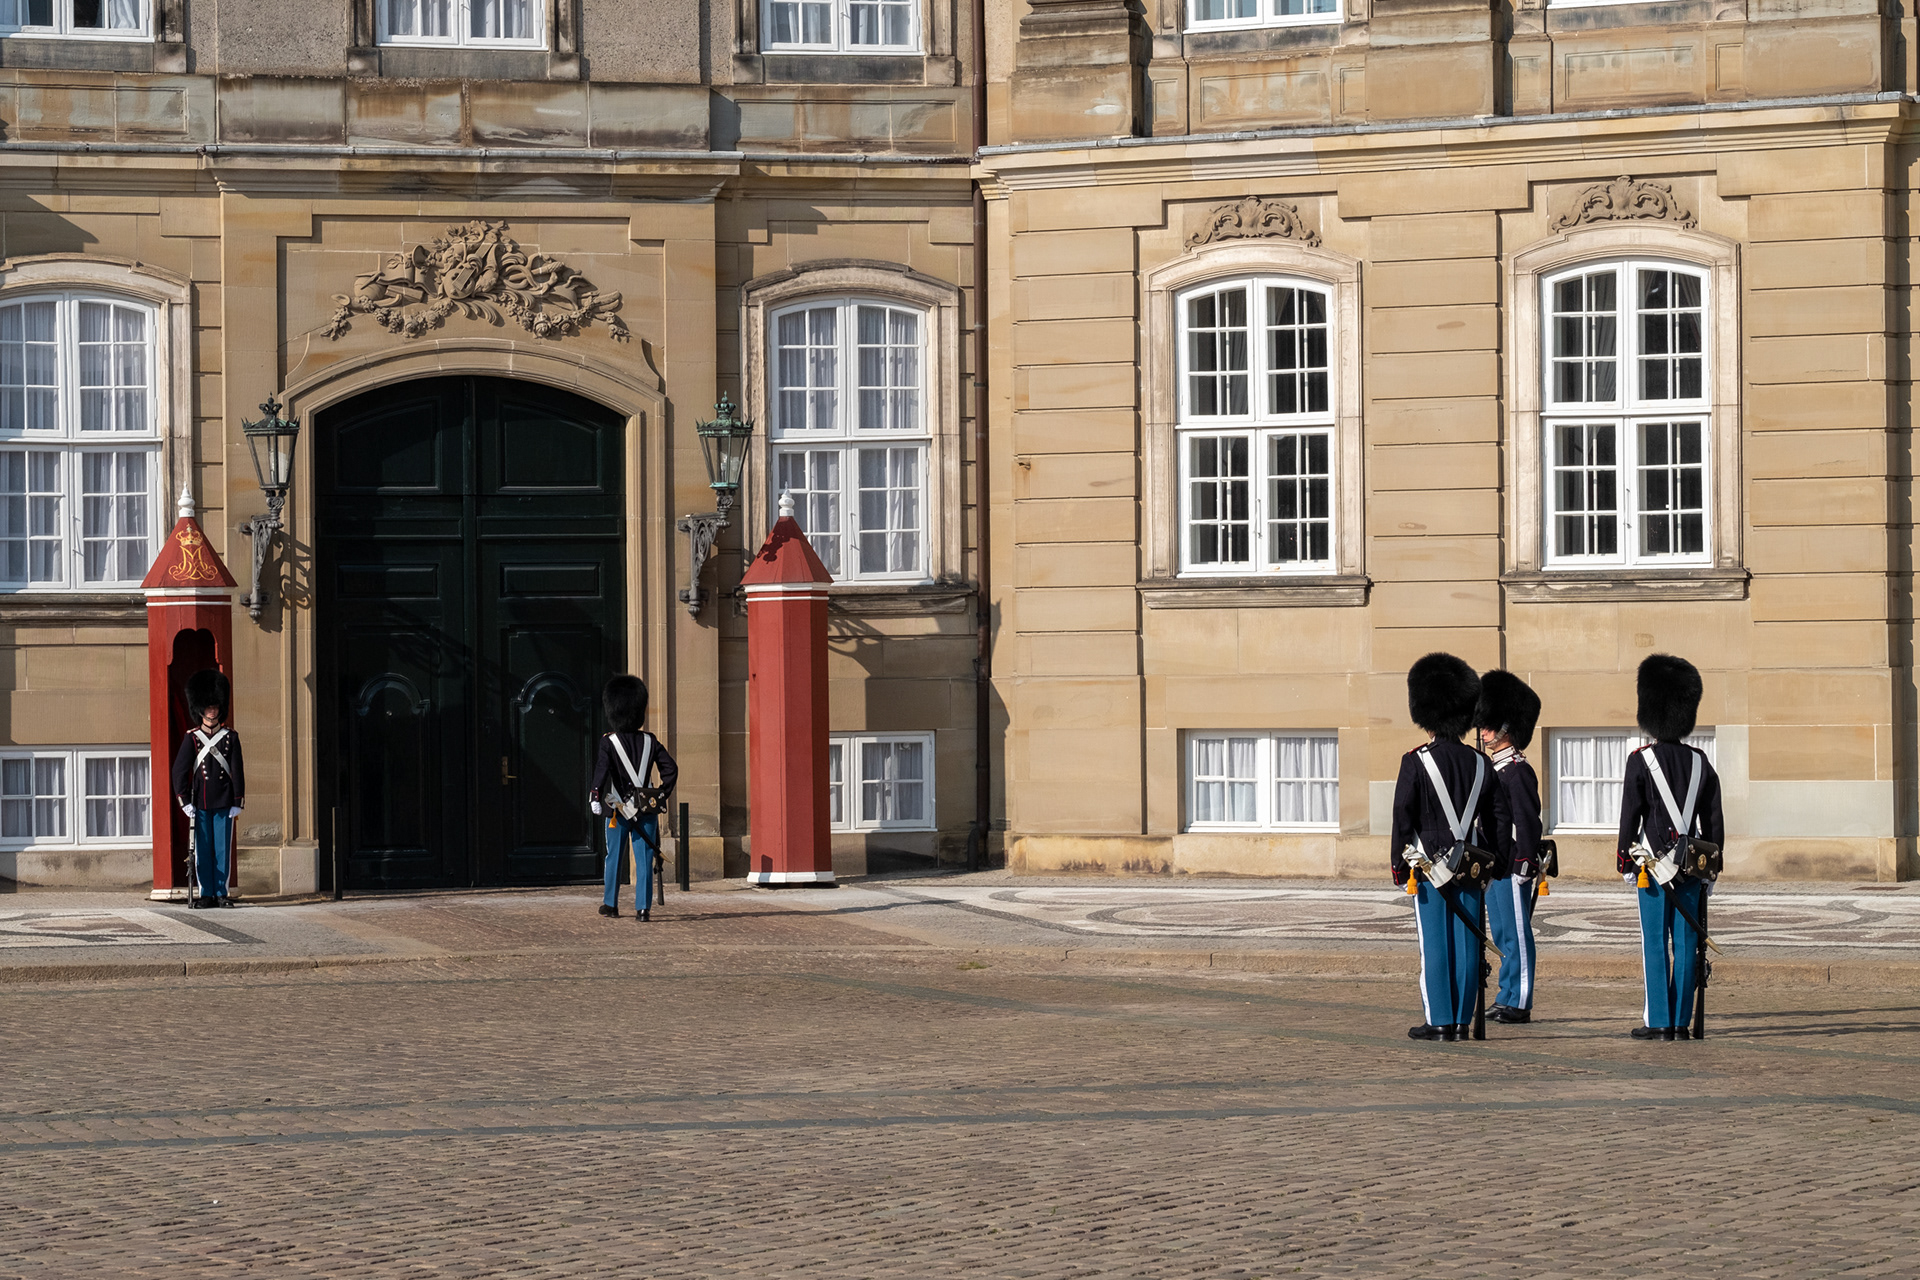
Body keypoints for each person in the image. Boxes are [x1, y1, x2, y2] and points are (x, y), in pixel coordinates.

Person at [1392, 653, 1509, 1042]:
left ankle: (1440, 1019)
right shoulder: (1481, 763)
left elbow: (1402, 816)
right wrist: (1496, 862)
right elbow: (1499, 818)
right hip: (1473, 867)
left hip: (1428, 869)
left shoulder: (1416, 761)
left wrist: (1398, 864)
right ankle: (1461, 1020)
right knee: (1467, 943)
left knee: (1436, 945)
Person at [1618, 653, 1723, 1041]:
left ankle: (1658, 1020)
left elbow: (1630, 816)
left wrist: (1625, 862)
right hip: (1694, 867)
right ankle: (1680, 1021)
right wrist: (1713, 868)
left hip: (1652, 866)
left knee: (1654, 945)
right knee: (1687, 942)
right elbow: (1714, 821)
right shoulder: (1701, 762)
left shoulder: (1641, 760)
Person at [1474, 669, 1544, 1026]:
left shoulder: (1516, 770)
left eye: (1489, 726)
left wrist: (1525, 863)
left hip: (1514, 862)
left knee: (1517, 933)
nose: (1483, 732)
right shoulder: (1493, 768)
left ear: (1505, 728)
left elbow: (1528, 822)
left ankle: (1521, 999)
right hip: (1496, 863)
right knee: (1501, 933)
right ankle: (1505, 995)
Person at [588, 675, 678, 921]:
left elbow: (601, 771)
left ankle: (611, 904)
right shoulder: (651, 740)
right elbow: (671, 770)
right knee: (644, 859)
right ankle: (642, 909)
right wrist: (659, 795)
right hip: (646, 811)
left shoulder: (609, 742)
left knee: (614, 857)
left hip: (617, 809)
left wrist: (595, 795)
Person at [171, 669, 244, 910]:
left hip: (223, 801)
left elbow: (237, 769)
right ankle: (206, 893)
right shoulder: (192, 738)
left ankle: (221, 892)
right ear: (200, 709)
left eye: (215, 707)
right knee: (203, 849)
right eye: (208, 707)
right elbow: (179, 770)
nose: (212, 711)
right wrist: (184, 800)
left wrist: (238, 799)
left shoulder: (230, 737)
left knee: (222, 850)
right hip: (200, 802)